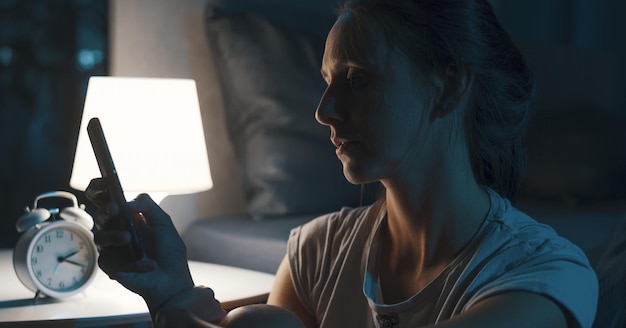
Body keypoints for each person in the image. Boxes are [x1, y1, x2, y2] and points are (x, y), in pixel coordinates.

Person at [87, 0, 599, 327]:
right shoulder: (318, 251)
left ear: (447, 89)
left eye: (356, 79)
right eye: (327, 81)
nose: (324, 110)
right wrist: (171, 290)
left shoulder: (543, 277)